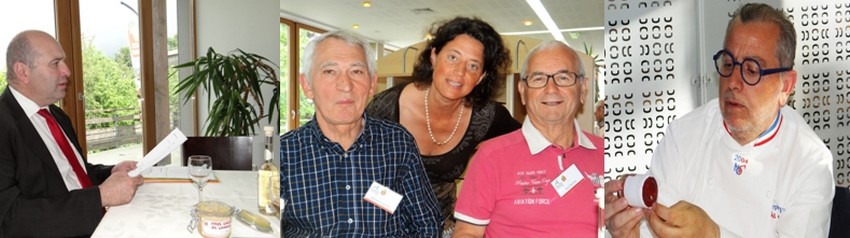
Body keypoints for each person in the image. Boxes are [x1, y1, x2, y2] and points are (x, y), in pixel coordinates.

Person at [605, 3, 834, 237]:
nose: (733, 82)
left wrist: (713, 234)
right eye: (728, 64)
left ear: (785, 86)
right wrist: (629, 233)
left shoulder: (810, 162)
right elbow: (653, 228)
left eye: (752, 70)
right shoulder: (684, 135)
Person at [366, 16, 521, 235]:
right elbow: (355, 171)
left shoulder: (486, 116)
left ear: (481, 77)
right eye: (452, 57)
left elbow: (526, 142)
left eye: (473, 65)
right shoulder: (385, 108)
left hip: (447, 228)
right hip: (385, 224)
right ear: (433, 56)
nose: (460, 72)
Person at [280, 30, 442, 237]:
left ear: (372, 84)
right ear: (307, 85)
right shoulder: (284, 152)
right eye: (330, 71)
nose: (346, 86)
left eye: (356, 72)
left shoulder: (398, 142)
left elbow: (426, 223)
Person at [0, 30, 144, 237]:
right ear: (23, 72)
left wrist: (111, 172)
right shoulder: (4, 125)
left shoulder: (57, 115)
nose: (67, 71)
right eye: (55, 63)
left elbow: (71, 173)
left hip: (101, 223)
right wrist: (100, 196)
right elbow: (10, 219)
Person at [453, 40, 604, 237]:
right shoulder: (490, 157)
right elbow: (467, 233)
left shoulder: (607, 154)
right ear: (523, 91)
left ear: (582, 89)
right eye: (538, 78)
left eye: (564, 77)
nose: (551, 89)